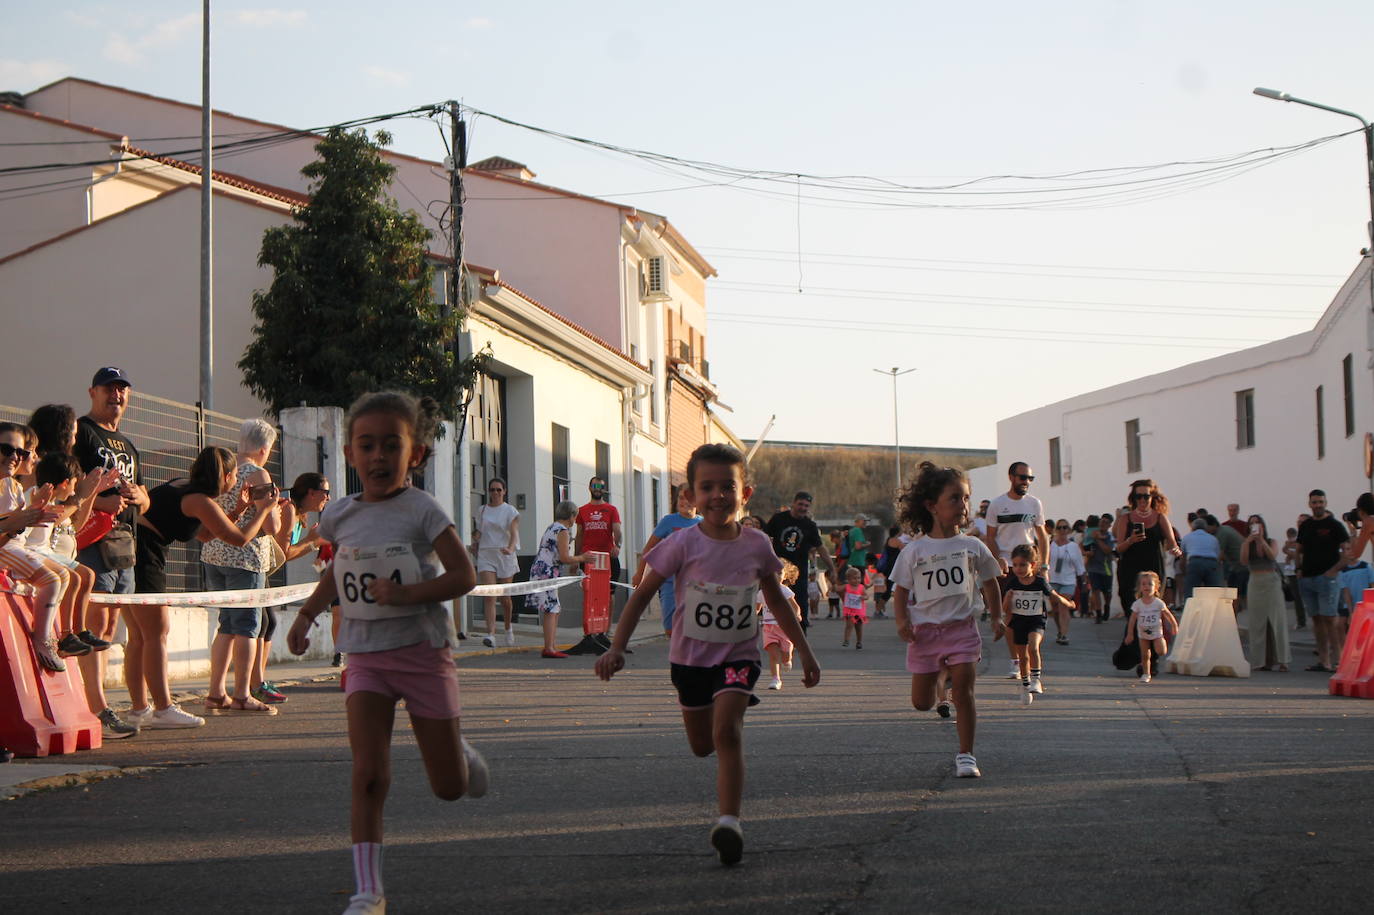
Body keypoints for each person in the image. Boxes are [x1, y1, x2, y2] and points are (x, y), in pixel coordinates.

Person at [285, 391, 487, 915]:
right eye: (366, 445)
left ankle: (460, 754)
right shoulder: (340, 515)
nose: (377, 457)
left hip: (422, 652)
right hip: (366, 656)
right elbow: (338, 570)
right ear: (349, 454)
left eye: (390, 446)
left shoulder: (424, 510)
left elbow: (463, 576)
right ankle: (367, 892)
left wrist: (407, 595)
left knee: (448, 789)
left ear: (414, 455)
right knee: (368, 773)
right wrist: (308, 614)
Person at [595, 443, 819, 866]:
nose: (718, 495)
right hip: (689, 660)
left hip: (739, 655)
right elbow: (641, 594)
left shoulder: (756, 546)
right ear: (693, 495)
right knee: (702, 745)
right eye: (707, 487)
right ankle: (724, 797)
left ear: (745, 493)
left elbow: (779, 602)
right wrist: (617, 646)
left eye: (727, 486)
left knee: (727, 733)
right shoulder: (681, 544)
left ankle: (729, 822)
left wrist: (805, 653)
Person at [144, 447, 278, 721]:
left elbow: (206, 535)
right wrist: (263, 511)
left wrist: (240, 508)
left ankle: (147, 706)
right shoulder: (201, 501)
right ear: (228, 476)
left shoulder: (184, 487)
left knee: (143, 636)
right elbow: (239, 539)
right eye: (235, 477)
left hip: (148, 552)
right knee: (156, 633)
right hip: (146, 555)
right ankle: (164, 707)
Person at [891, 462, 1004, 778]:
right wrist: (902, 622)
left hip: (962, 630)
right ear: (931, 506)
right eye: (955, 498)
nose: (963, 505)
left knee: (964, 691)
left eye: (966, 498)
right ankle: (941, 674)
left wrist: (997, 617)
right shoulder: (915, 550)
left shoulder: (972, 545)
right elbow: (901, 590)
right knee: (921, 703)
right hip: (925, 634)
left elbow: (990, 581)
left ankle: (966, 755)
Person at [73, 367, 150, 737]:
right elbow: (68, 482)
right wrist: (99, 500)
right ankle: (96, 708)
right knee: (90, 626)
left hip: (124, 545)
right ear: (92, 392)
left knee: (105, 627)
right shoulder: (81, 432)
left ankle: (95, 704)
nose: (115, 395)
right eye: (108, 388)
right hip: (90, 541)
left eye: (121, 390)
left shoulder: (129, 445)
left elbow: (145, 497)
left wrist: (140, 497)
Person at [199, 419, 283, 715]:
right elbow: (271, 525)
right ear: (263, 449)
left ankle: (215, 691)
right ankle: (242, 694)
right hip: (246, 558)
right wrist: (274, 511)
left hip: (213, 553)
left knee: (226, 623)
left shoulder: (225, 469)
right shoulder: (258, 474)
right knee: (248, 626)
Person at [984, 461, 1048, 678]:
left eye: (1030, 478)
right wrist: (997, 559)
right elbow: (990, 537)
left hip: (1030, 566)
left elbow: (1042, 536)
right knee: (1011, 616)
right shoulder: (997, 504)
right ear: (1011, 477)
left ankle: (1030, 656)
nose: (1026, 482)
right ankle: (1015, 661)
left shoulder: (1034, 504)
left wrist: (1044, 565)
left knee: (1030, 614)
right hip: (1007, 567)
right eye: (1022, 478)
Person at [270, 473, 332, 691]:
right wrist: (310, 542)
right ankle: (253, 685)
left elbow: (284, 555)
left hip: (262, 571)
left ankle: (256, 683)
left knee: (266, 626)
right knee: (258, 626)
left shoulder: (300, 515)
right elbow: (283, 553)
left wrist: (312, 543)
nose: (329, 498)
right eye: (326, 492)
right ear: (311, 492)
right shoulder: (288, 509)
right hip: (251, 567)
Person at [1003, 543, 1074, 705]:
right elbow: (1005, 609)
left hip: (1036, 621)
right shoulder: (1012, 583)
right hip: (1018, 621)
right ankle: (1025, 685)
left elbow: (1054, 596)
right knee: (1023, 657)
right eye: (1015, 565)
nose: (1018, 569)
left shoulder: (1039, 582)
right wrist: (1007, 599)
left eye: (1023, 565)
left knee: (1033, 647)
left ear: (1032, 565)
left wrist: (1068, 604)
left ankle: (1036, 679)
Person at [1112, 479, 1182, 626]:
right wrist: (1131, 540)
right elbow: (1119, 548)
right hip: (1130, 569)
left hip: (1154, 569)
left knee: (1152, 610)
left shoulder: (1160, 517)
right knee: (1132, 611)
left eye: (1146, 496)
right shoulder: (1126, 518)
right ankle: (1135, 643)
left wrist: (1175, 550)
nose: (1142, 500)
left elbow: (1172, 543)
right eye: (1139, 497)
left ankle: (1153, 644)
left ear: (1152, 497)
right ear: (1134, 498)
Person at [764, 491, 837, 630]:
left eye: (806, 505)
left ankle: (800, 636)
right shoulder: (779, 519)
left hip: (799, 572)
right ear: (793, 503)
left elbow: (821, 548)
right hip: (778, 570)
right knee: (775, 602)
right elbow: (764, 538)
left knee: (800, 603)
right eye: (800, 504)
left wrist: (832, 568)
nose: (803, 508)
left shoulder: (810, 525)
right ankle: (776, 635)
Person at [634, 485, 701, 635]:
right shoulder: (668, 521)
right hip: (670, 582)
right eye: (681, 498)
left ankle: (689, 656)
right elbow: (648, 549)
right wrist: (640, 574)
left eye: (689, 497)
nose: (685, 502)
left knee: (695, 627)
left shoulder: (704, 523)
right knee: (670, 629)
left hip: (697, 583)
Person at [1296, 489, 1348, 673]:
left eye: (1320, 502)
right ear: (1309, 504)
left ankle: (1340, 662)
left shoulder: (1335, 525)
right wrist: (1299, 569)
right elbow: (1299, 549)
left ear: (1325, 502)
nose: (1317, 505)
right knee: (1317, 620)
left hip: (1327, 579)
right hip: (1308, 578)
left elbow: (1347, 551)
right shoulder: (1306, 525)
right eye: (1314, 502)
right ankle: (1323, 661)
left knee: (1330, 619)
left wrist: (1334, 570)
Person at [526, 500, 587, 658]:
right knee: (551, 609)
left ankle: (551, 645)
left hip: (542, 570)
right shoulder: (563, 531)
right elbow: (565, 558)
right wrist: (582, 558)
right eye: (575, 517)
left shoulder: (552, 527)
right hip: (548, 572)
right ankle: (549, 647)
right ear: (571, 516)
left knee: (553, 608)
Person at [473, 477, 519, 647]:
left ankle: (508, 628)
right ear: (489, 492)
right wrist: (474, 543)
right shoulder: (482, 510)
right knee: (489, 594)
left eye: (499, 490)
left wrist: (511, 548)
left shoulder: (510, 511)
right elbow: (479, 532)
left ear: (504, 491)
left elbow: (514, 533)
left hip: (504, 554)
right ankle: (491, 634)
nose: (496, 493)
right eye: (492, 490)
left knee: (504, 597)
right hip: (486, 554)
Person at [1241, 515, 1288, 672]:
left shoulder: (1271, 541)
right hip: (1255, 579)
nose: (1254, 525)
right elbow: (1244, 560)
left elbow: (1272, 556)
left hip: (1271, 579)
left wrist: (1261, 540)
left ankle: (1283, 660)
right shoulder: (1246, 542)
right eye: (1251, 523)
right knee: (1257, 622)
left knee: (1277, 620)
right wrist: (1248, 541)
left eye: (1257, 522)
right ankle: (1259, 661)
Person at [1123, 571, 1178, 683]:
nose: (1146, 586)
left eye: (1150, 584)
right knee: (1145, 655)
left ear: (1156, 587)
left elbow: (1168, 615)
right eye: (1143, 584)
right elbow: (1132, 620)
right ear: (1139, 587)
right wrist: (1130, 634)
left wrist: (1174, 625)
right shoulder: (1137, 604)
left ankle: (1161, 643)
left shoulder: (1158, 603)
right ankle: (1146, 674)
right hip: (1143, 633)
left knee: (1161, 651)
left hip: (1157, 633)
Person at [760, 560, 804, 690]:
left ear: (785, 575)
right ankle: (776, 679)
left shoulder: (785, 591)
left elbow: (795, 607)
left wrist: (797, 615)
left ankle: (787, 659)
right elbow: (756, 608)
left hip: (784, 627)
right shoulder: (762, 592)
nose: (777, 576)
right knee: (773, 655)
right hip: (768, 627)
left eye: (780, 573)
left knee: (785, 655)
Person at [574, 475, 622, 593]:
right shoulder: (582, 510)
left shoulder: (611, 510)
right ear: (590, 488)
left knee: (609, 592)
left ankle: (607, 612)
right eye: (595, 486)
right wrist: (575, 559)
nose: (598, 489)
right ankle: (590, 612)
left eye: (601, 486)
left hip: (608, 556)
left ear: (604, 489)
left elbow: (617, 530)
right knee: (589, 591)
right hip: (588, 557)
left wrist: (618, 546)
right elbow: (579, 535)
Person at [1047, 520, 1085, 645]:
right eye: (1059, 528)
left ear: (1068, 530)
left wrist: (1084, 580)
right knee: (1055, 609)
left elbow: (1079, 565)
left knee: (1063, 607)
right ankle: (1060, 630)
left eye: (1065, 527)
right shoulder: (1050, 545)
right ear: (1056, 530)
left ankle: (1063, 635)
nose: (1062, 530)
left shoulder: (1073, 547)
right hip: (1053, 580)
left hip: (1069, 581)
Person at [1179, 517, 1223, 605]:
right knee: (1213, 592)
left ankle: (1190, 613)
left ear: (1192, 528)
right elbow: (1219, 557)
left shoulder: (1187, 537)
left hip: (1195, 562)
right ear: (1205, 528)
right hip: (1211, 562)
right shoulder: (1213, 538)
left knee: (1191, 592)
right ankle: (1213, 612)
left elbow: (1183, 558)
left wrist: (1184, 572)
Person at [1083, 514, 1115, 623]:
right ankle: (1098, 614)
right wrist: (1086, 552)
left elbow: (1107, 550)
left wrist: (1097, 540)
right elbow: (1081, 544)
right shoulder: (1092, 533)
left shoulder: (1109, 537)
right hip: (1093, 567)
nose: (1103, 523)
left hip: (1106, 568)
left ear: (1110, 525)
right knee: (1095, 590)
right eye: (1102, 521)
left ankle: (1107, 606)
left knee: (1107, 593)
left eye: (1106, 522)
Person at [840, 565, 869, 649]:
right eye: (854, 578)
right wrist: (834, 586)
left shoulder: (861, 587)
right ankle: (846, 640)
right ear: (848, 579)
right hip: (849, 610)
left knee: (858, 627)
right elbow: (838, 589)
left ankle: (859, 641)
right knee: (849, 625)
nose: (857, 580)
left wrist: (863, 597)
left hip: (859, 611)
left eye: (859, 578)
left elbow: (866, 596)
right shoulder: (847, 586)